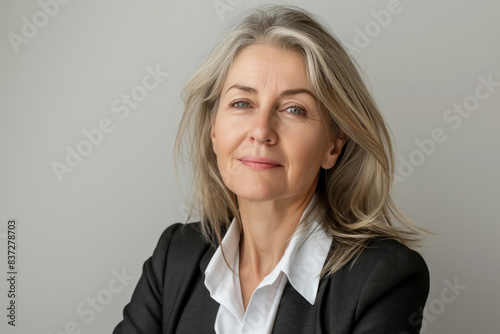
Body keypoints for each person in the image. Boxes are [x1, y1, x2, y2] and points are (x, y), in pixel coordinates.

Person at [113, 5, 429, 334]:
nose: (261, 130)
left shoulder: (382, 277)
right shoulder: (174, 256)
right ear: (214, 130)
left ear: (333, 146)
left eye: (294, 109)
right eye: (241, 103)